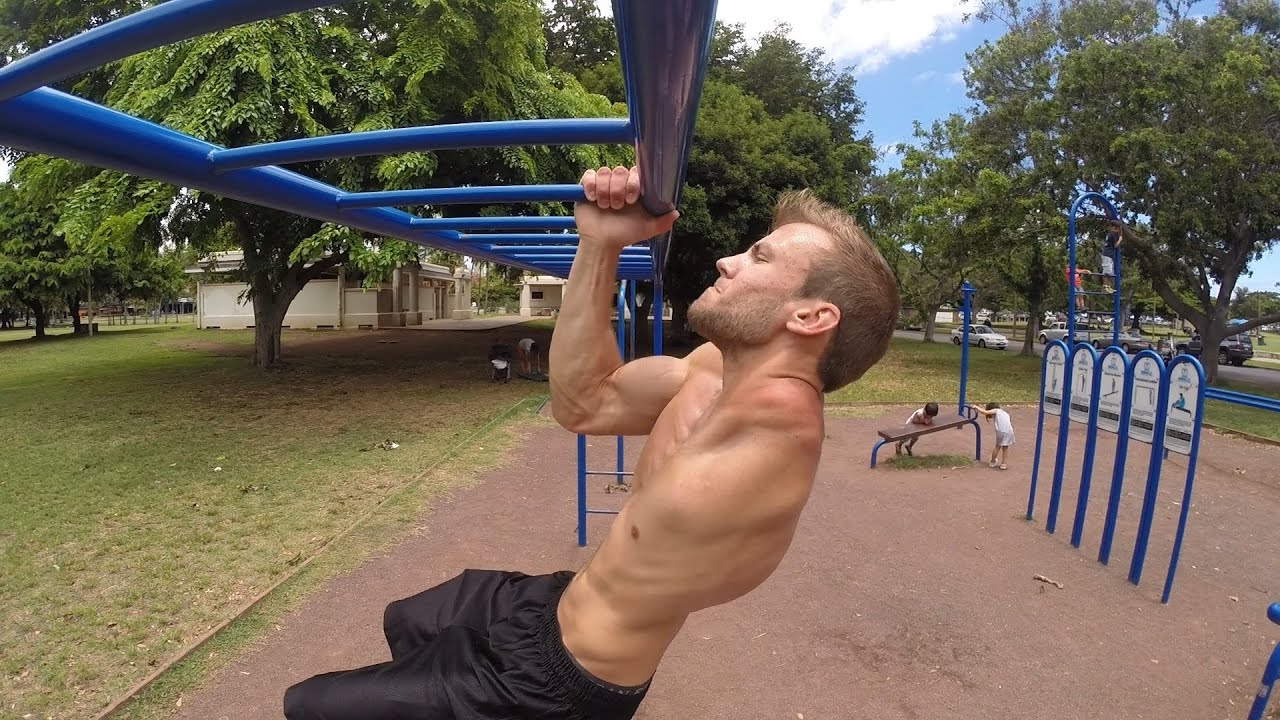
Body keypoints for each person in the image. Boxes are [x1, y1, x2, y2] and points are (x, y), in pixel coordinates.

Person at [281, 165, 900, 719]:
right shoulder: (717, 370)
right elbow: (584, 401)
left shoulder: (779, 439)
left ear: (812, 318)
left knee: (309, 705)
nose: (727, 261)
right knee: (411, 619)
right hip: (552, 602)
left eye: (760, 259)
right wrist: (598, 244)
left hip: (554, 687)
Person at [971, 402, 1015, 469]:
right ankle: (1003, 464)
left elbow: (985, 412)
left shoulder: (995, 410)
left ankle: (992, 461)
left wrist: (976, 407)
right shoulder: (1005, 413)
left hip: (1000, 431)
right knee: (1005, 448)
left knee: (997, 446)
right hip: (1009, 431)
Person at [1099, 219, 1124, 291]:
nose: (1116, 230)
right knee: (1107, 271)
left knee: (1109, 271)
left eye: (1117, 229)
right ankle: (1105, 286)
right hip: (1107, 254)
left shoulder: (1110, 234)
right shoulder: (1112, 235)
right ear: (1111, 227)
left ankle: (1108, 286)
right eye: (1115, 228)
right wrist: (1120, 239)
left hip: (1109, 255)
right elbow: (1115, 245)